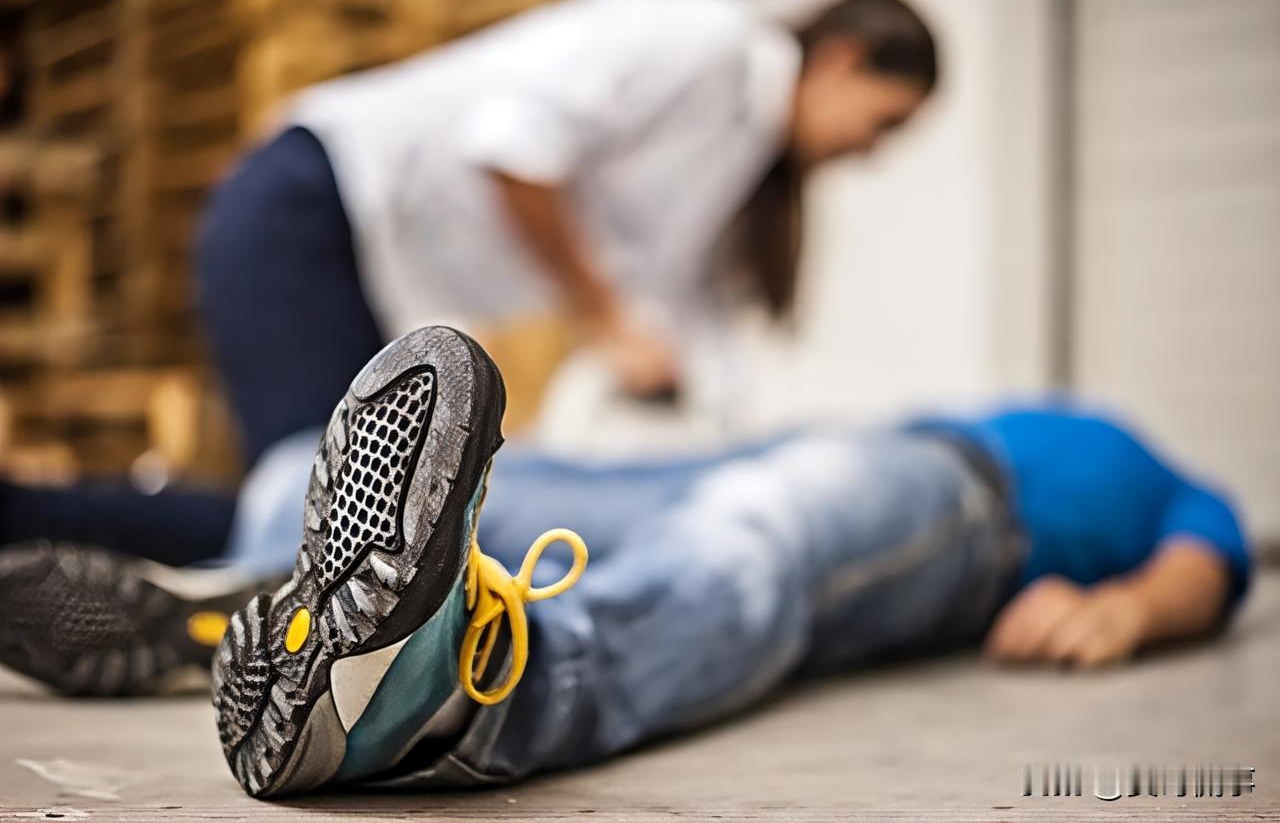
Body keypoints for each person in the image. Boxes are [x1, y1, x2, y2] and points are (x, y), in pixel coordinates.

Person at [0, 328, 1251, 795]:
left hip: (957, 508)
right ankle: (250, 610)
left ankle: (463, 683)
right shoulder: (1000, 402)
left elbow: (1215, 552)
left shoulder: (1158, 474)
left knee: (760, 539)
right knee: (291, 470)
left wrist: (1127, 603)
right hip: (826, 446)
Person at [0, 0, 939, 567]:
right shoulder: (702, 38)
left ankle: (57, 530)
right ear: (844, 59)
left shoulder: (737, 159)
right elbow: (515, 148)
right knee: (314, 524)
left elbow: (683, 331)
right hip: (314, 201)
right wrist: (603, 314)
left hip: (368, 257)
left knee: (339, 532)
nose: (874, 152)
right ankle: (31, 518)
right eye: (885, 121)